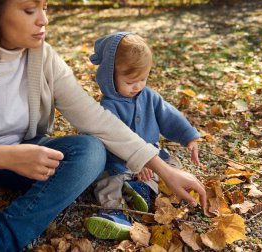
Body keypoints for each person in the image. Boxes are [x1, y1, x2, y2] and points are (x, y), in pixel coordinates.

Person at [0, 1, 206, 251]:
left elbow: (95, 118)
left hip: (25, 162)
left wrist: (164, 169)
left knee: (89, 150)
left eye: (45, 6)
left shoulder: (44, 57)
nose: (44, 20)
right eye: (29, 10)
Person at [85, 32, 202, 240]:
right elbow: (112, 143)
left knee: (171, 165)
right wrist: (138, 164)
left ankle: (141, 190)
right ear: (110, 77)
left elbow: (169, 115)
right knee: (107, 182)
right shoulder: (107, 107)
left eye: (142, 79)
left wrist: (189, 136)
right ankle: (113, 212)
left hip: (152, 158)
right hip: (118, 162)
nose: (138, 86)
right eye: (130, 82)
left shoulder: (149, 96)